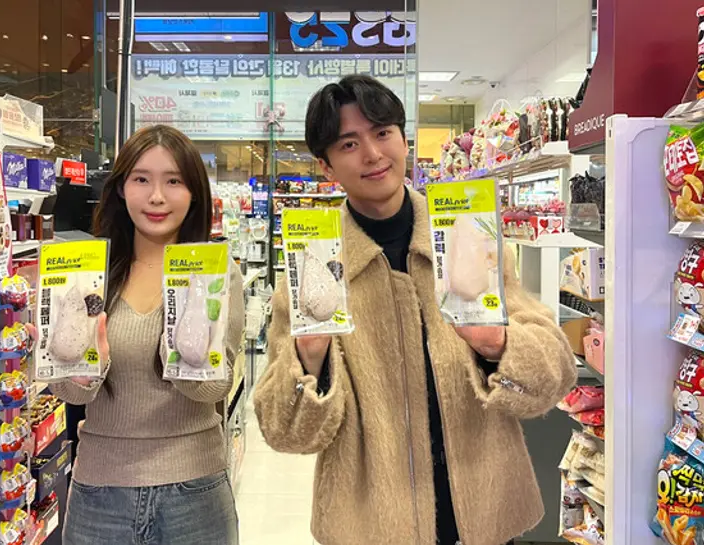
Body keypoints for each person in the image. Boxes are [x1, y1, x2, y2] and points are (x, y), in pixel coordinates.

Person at [254, 75, 577, 545]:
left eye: (383, 132)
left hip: (484, 512)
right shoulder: (313, 270)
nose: (373, 154)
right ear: (326, 166)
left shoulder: (470, 237)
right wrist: (308, 361)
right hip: (371, 525)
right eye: (349, 144)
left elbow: (556, 374)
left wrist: (500, 345)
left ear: (404, 140)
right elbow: (284, 432)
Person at [46, 125, 243, 545]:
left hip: (195, 491)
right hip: (99, 492)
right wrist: (81, 370)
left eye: (173, 181)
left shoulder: (216, 275)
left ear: (194, 193)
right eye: (141, 179)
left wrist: (183, 355)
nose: (156, 197)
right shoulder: (87, 273)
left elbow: (217, 387)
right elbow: (69, 392)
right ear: (120, 189)